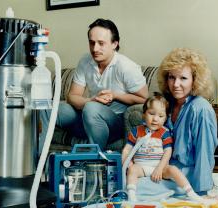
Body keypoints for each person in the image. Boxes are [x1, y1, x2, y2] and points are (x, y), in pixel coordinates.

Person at [40, 18, 148, 150]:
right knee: (47, 108)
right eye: (92, 43)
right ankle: (39, 158)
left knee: (91, 108)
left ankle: (94, 159)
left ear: (114, 44)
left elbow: (144, 99)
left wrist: (115, 95)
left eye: (101, 43)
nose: (95, 48)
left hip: (115, 123)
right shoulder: (85, 61)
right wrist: (91, 100)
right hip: (88, 117)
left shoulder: (126, 67)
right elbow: (72, 96)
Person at [156, 47, 218, 195]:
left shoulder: (201, 109)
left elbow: (204, 155)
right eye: (172, 77)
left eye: (183, 78)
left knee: (141, 191)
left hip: (186, 177)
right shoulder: (167, 105)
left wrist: (201, 192)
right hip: (164, 170)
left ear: (194, 80)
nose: (176, 84)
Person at [122, 93, 205, 202]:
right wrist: (128, 164)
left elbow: (168, 151)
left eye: (160, 116)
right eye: (151, 114)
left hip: (159, 167)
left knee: (174, 170)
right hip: (141, 167)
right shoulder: (137, 131)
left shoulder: (164, 133)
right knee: (132, 170)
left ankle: (191, 193)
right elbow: (127, 149)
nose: (155, 119)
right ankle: (132, 196)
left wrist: (160, 168)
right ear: (143, 114)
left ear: (165, 118)